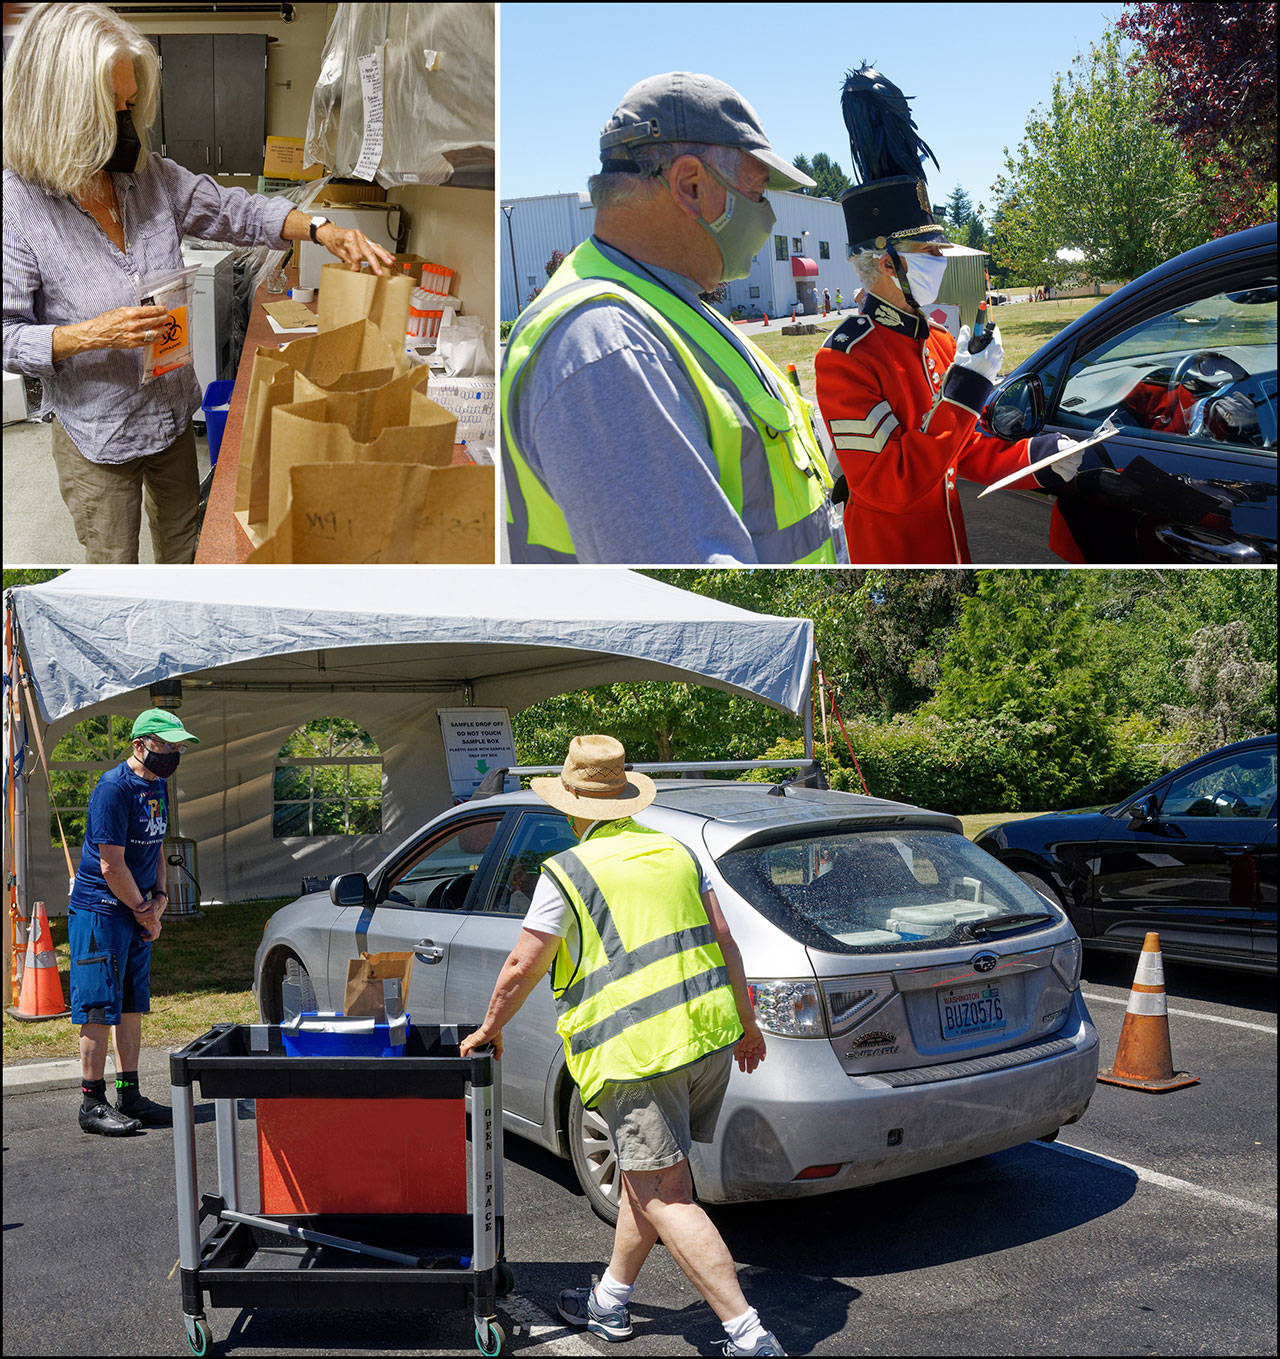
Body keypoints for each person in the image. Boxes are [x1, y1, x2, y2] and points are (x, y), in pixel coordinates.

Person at [1, 3, 394, 564]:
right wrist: (91, 335)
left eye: (130, 103)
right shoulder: (18, 206)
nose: (125, 121)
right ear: (57, 110)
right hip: (100, 437)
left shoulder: (147, 176)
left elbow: (235, 211)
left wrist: (321, 227)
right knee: (116, 572)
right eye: (108, 106)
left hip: (169, 417)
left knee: (188, 552)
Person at [460, 735, 783, 1357]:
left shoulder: (569, 872)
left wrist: (489, 1030)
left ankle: (748, 1337)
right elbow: (725, 941)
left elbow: (523, 965)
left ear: (570, 805)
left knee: (666, 1192)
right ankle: (609, 1303)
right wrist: (747, 1024)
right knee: (648, 1181)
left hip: (637, 1055)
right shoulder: (677, 851)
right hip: (707, 1041)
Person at [500, 72, 840, 566]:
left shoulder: (668, 305)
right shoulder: (606, 348)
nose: (765, 215)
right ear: (692, 185)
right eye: (758, 191)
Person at [815, 63, 1084, 564]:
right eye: (927, 253)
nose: (942, 262)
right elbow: (890, 485)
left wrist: (1037, 459)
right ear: (886, 263)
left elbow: (960, 450)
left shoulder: (938, 339)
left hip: (950, 549)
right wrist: (963, 387)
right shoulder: (844, 359)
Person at [68, 707, 200, 1135]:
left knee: (130, 1004)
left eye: (177, 745)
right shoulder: (112, 788)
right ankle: (92, 1102)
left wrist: (159, 898)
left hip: (137, 907)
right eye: (165, 744)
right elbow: (111, 864)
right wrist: (145, 910)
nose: (173, 752)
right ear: (139, 744)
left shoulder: (157, 784)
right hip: (101, 911)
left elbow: (156, 847)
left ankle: (131, 1094)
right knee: (98, 1005)